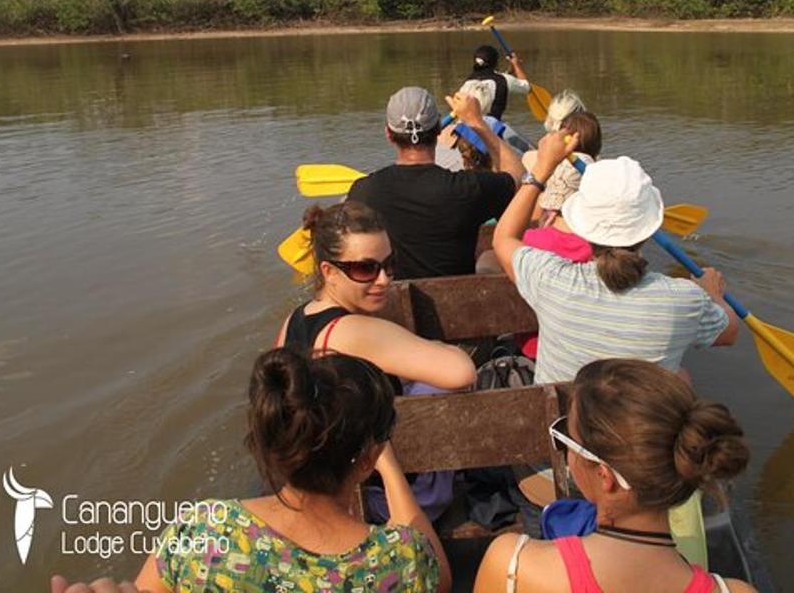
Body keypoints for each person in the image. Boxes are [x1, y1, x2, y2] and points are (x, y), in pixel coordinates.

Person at [132, 350, 450, 592]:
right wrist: (388, 466)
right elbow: (443, 580)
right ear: (367, 458)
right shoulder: (402, 560)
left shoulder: (201, 532)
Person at [473, 358, 756, 593]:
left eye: (567, 438)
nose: (565, 449)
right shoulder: (736, 591)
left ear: (604, 475)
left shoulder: (514, 566)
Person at [493, 133, 741, 384]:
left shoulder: (550, 278)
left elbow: (503, 238)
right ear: (647, 232)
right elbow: (729, 332)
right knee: (681, 378)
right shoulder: (685, 299)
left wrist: (542, 168)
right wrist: (714, 295)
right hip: (641, 421)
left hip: (562, 419)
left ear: (582, 224)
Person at [275, 200, 476, 392]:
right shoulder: (355, 331)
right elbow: (462, 372)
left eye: (388, 264)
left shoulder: (293, 320)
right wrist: (439, 346)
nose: (383, 280)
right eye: (365, 268)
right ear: (329, 272)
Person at [348, 87, 521, 279]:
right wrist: (476, 122)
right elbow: (518, 177)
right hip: (459, 304)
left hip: (387, 303)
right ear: (439, 129)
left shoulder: (362, 192)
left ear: (388, 134)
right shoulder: (469, 188)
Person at [521, 110, 602, 230]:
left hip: (546, 216)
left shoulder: (545, 160)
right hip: (577, 223)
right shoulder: (593, 168)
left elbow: (527, 157)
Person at [466, 44, 530, 121]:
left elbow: (494, 80)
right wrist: (516, 65)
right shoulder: (503, 80)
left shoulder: (468, 81)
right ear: (496, 62)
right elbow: (526, 87)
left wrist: (511, 69)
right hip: (490, 127)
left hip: (467, 123)